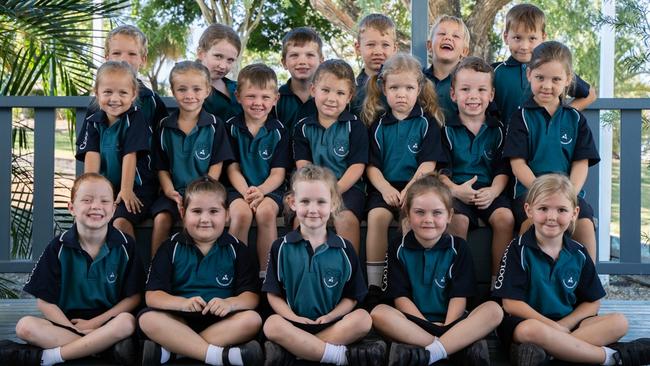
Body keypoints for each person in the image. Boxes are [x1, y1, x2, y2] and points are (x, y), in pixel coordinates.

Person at [492, 174, 650, 366]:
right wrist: (550, 327)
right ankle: (612, 357)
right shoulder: (518, 250)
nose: (552, 217)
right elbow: (511, 304)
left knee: (619, 322)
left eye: (561, 210)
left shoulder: (579, 253)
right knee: (530, 331)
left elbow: (592, 303)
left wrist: (562, 326)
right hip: (529, 323)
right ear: (529, 210)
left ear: (574, 213)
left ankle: (550, 354)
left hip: (569, 324)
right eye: (543, 209)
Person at [0, 173, 144, 366]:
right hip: (67, 323)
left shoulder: (126, 246)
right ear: (71, 208)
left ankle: (48, 356)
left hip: (109, 322)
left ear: (113, 209)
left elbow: (133, 297)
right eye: (86, 200)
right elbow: (45, 303)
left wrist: (94, 324)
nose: (96, 206)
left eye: (104, 201)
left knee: (127, 321)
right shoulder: (57, 247)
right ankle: (104, 350)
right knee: (25, 327)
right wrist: (73, 329)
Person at [371, 173, 503, 366]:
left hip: (452, 323)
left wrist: (447, 326)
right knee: (379, 313)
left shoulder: (459, 248)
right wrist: (428, 326)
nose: (428, 220)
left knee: (494, 310)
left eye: (437, 213)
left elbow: (459, 296)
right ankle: (448, 348)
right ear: (408, 213)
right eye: (420, 212)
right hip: (413, 324)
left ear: (449, 215)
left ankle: (432, 351)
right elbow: (400, 299)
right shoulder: (397, 248)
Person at [262, 165, 385, 366]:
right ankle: (337, 355)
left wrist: (331, 316)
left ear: (333, 203)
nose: (313, 209)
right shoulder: (280, 247)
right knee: (271, 325)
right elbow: (273, 295)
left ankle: (299, 351)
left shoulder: (345, 249)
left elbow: (352, 297)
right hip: (294, 324)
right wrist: (293, 318)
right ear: (292, 203)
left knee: (363, 319)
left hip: (333, 323)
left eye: (321, 202)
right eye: (305, 201)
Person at [139, 176, 263, 366]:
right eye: (196, 211)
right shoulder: (169, 248)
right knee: (148, 319)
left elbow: (251, 297)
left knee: (252, 319)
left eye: (214, 211)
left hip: (222, 323)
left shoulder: (237, 250)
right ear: (183, 212)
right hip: (179, 320)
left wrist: (229, 303)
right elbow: (153, 296)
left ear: (227, 214)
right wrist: (182, 303)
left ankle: (175, 351)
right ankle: (219, 356)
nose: (205, 219)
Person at [502, 41, 599, 261]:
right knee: (531, 224)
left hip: (569, 192)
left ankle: (589, 289)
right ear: (529, 75)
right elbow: (518, 164)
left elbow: (581, 163)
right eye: (540, 78)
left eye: (556, 79)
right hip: (530, 191)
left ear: (568, 80)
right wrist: (543, 192)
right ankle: (526, 283)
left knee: (584, 223)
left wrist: (568, 194)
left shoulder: (575, 119)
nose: (547, 85)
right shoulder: (521, 118)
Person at [362, 53, 447, 291]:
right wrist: (386, 189)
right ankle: (375, 285)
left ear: (419, 88)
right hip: (384, 187)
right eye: (395, 87)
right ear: (384, 89)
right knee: (377, 218)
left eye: (409, 87)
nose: (402, 94)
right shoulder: (377, 125)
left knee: (413, 222)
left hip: (417, 187)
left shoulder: (426, 122)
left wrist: (409, 190)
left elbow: (428, 165)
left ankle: (412, 283)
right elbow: (372, 167)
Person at [440, 56, 515, 281]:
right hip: (456, 190)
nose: (473, 96)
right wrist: (455, 190)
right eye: (465, 89)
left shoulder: (498, 129)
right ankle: (457, 285)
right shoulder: (445, 130)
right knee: (457, 220)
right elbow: (440, 171)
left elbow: (503, 169)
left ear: (491, 95)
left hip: (490, 190)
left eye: (482, 89)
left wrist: (493, 191)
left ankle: (497, 283)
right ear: (453, 94)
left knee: (505, 218)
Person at [150, 61, 234, 256]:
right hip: (174, 193)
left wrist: (203, 192)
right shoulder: (164, 127)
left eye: (196, 89)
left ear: (207, 90)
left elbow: (216, 164)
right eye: (182, 89)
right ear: (172, 91)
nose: (189, 95)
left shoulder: (215, 125)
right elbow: (161, 166)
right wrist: (170, 191)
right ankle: (156, 271)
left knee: (203, 220)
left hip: (206, 191)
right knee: (161, 220)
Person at [293, 59, 368, 252]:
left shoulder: (355, 126)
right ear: (313, 90)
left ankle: (349, 273)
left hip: (348, 187)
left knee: (345, 219)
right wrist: (317, 192)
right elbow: (304, 166)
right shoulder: (303, 127)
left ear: (350, 96)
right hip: (311, 188)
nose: (331, 98)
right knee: (299, 220)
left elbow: (357, 167)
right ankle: (302, 271)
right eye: (325, 90)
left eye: (340, 93)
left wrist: (334, 191)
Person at [76, 61, 155, 240]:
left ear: (133, 94)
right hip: (106, 189)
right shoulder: (93, 121)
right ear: (97, 93)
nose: (115, 99)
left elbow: (130, 155)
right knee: (87, 219)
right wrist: (90, 193)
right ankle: (95, 265)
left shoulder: (135, 119)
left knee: (119, 222)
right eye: (108, 92)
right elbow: (91, 156)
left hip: (137, 189)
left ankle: (131, 266)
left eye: (123, 93)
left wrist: (126, 190)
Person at [226, 63, 290, 273]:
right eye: (251, 96)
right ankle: (236, 274)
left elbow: (278, 173)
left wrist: (261, 191)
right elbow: (232, 168)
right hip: (238, 189)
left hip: (270, 189)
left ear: (275, 99)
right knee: (241, 214)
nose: (258, 103)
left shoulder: (279, 131)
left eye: (265, 97)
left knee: (265, 213)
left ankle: (266, 275)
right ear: (238, 96)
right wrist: (246, 192)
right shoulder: (231, 128)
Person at [493, 3, 596, 125]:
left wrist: (563, 116)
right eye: (517, 38)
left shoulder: (554, 70)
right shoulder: (494, 72)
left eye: (532, 38)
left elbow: (590, 94)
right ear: (506, 37)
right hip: (506, 143)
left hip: (547, 141)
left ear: (543, 37)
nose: (524, 46)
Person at [423, 15, 470, 123]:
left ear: (464, 51)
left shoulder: (468, 84)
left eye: (456, 36)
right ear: (429, 45)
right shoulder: (417, 80)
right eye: (442, 34)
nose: (448, 38)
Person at [276, 27, 323, 133]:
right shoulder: (276, 99)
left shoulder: (330, 96)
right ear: (284, 63)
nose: (302, 61)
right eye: (294, 55)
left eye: (310, 55)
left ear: (321, 61)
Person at [350, 13, 398, 117]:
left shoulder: (401, 87)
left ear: (394, 48)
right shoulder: (351, 90)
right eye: (370, 45)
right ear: (358, 48)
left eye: (385, 45)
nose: (378, 51)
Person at [197, 23, 243, 121]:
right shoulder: (192, 92)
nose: (223, 66)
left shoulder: (237, 87)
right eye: (218, 56)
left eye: (230, 60)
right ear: (201, 54)